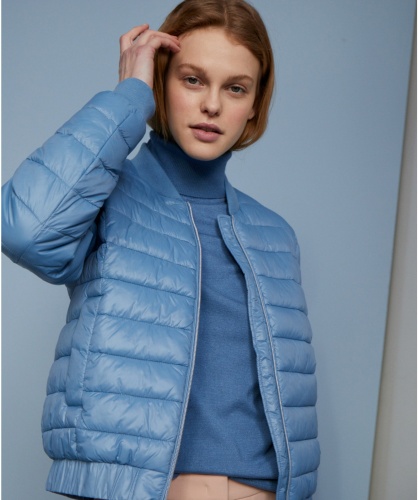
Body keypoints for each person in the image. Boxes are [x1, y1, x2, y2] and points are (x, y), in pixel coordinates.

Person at [2, 1, 320, 499]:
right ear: (161, 83)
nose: (212, 105)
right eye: (193, 80)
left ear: (255, 105)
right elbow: (26, 229)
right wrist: (129, 96)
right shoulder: (105, 200)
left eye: (235, 88)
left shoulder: (275, 235)